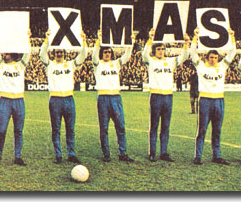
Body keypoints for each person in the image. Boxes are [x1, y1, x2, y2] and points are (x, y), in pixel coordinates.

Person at [39, 30, 87, 164]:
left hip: (68, 99)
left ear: (64, 54)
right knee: (56, 129)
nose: (59, 54)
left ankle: (71, 153)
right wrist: (47, 40)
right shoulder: (50, 65)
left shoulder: (71, 64)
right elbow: (42, 54)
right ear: (53, 54)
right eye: (57, 52)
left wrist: (83, 41)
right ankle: (58, 154)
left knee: (70, 128)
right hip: (55, 100)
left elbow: (82, 56)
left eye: (61, 52)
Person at [189, 28, 236, 165]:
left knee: (217, 129)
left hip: (219, 100)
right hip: (205, 101)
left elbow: (232, 53)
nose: (213, 60)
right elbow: (192, 52)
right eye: (211, 57)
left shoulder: (222, 66)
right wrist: (195, 37)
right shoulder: (201, 66)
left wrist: (232, 37)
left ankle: (217, 155)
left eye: (215, 57)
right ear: (207, 58)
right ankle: (198, 156)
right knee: (202, 129)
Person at [141, 29, 189, 162]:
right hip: (156, 95)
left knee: (166, 126)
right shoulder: (151, 61)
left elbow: (184, 57)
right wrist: (150, 39)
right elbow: (144, 55)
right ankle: (152, 152)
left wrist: (186, 44)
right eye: (159, 49)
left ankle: (164, 152)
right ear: (154, 50)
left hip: (168, 96)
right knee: (154, 125)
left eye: (163, 49)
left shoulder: (171, 61)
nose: (161, 51)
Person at [91, 30, 134, 163]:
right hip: (103, 98)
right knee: (104, 128)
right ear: (101, 53)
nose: (107, 54)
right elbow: (93, 56)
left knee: (120, 126)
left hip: (116, 97)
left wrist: (130, 42)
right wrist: (98, 40)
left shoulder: (116, 64)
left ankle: (123, 153)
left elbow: (126, 57)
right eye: (105, 52)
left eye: (109, 52)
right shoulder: (97, 65)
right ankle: (106, 153)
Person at [0, 31, 31, 166]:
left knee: (18, 130)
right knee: (1, 130)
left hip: (19, 100)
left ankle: (17, 156)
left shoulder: (21, 65)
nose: (3, 54)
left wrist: (27, 38)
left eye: (6, 53)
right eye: (3, 53)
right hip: (5, 101)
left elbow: (27, 53)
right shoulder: (0, 65)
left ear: (12, 53)